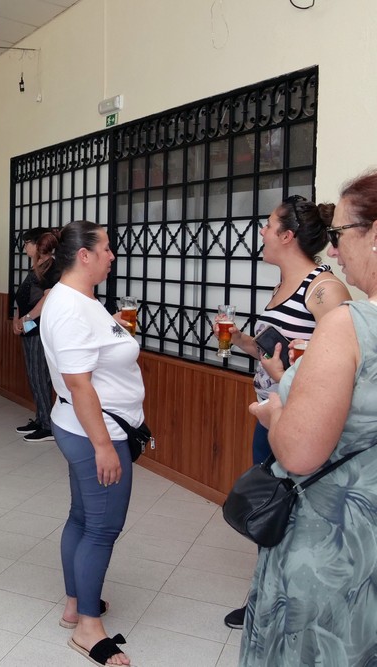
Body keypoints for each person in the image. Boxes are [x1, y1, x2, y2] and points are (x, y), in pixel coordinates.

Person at [242, 171, 377, 666]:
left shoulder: (342, 314)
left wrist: (279, 403)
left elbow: (300, 450)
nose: (335, 251)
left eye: (340, 237)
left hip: (336, 531)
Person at [214, 195, 350, 629]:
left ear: (287, 236)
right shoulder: (280, 286)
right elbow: (277, 350)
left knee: (295, 513)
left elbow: (339, 360)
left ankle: (286, 607)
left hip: (303, 422)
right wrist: (242, 341)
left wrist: (283, 370)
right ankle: (266, 598)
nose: (262, 232)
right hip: (272, 414)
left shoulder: (324, 288)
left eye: (268, 226)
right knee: (271, 509)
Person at [39, 220, 142, 667]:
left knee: (83, 517)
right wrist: (103, 446)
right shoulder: (69, 307)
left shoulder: (82, 301)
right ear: (85, 256)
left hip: (87, 425)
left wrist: (114, 328)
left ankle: (75, 602)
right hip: (96, 431)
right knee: (102, 527)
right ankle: (87, 628)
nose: (112, 256)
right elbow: (80, 385)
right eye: (106, 249)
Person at [12, 228, 61, 443]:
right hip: (29, 325)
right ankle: (41, 418)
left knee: (40, 374)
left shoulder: (53, 268)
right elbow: (23, 298)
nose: (25, 248)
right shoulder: (36, 267)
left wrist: (26, 319)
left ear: (37, 244)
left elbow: (47, 300)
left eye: (27, 243)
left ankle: (48, 425)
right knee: (33, 374)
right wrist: (17, 319)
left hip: (39, 326)